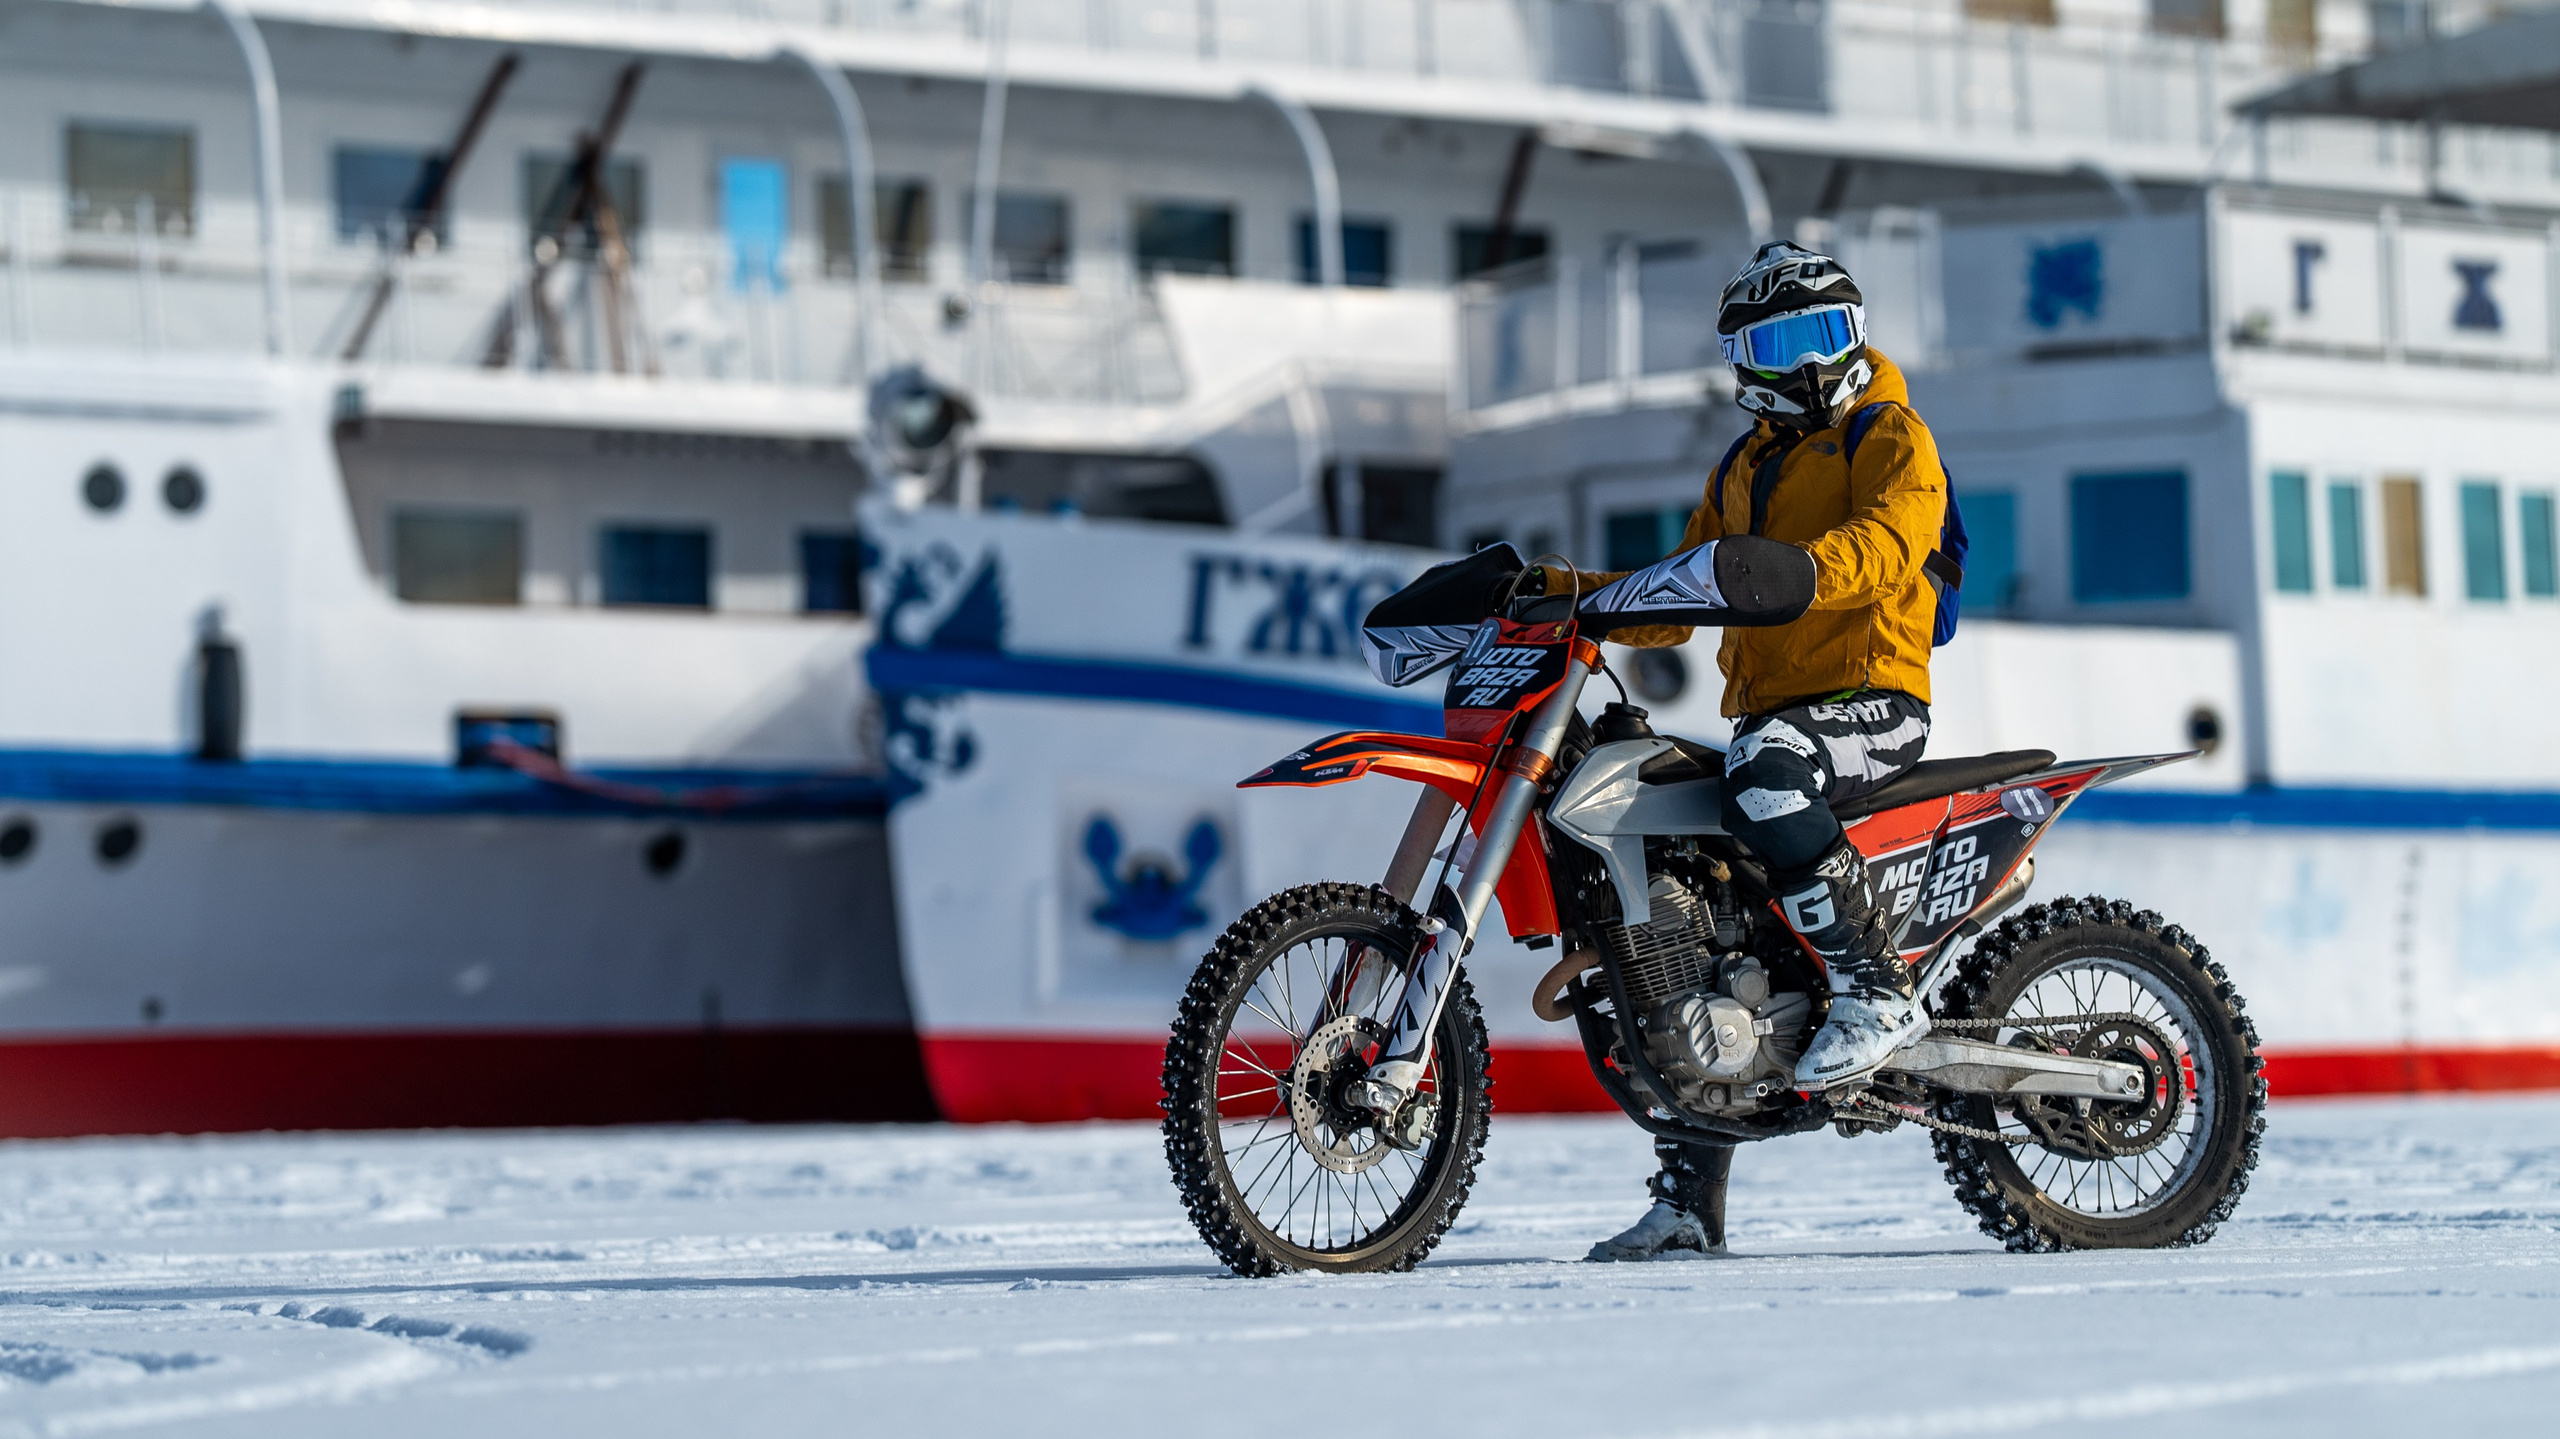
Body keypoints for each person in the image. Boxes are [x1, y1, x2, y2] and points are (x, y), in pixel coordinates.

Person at [1532, 241, 1950, 1261]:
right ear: (1742, 361)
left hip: (1872, 704)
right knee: (1674, 886)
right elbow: (1682, 593)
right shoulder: (1745, 466)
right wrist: (1576, 597)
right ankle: (1687, 1201)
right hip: (1776, 720)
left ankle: (1875, 983)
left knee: (1763, 765)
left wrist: (1798, 572)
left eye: (1823, 335)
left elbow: (1889, 547)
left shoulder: (1891, 435)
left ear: (1853, 336)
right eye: (1778, 343)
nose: (1805, 363)